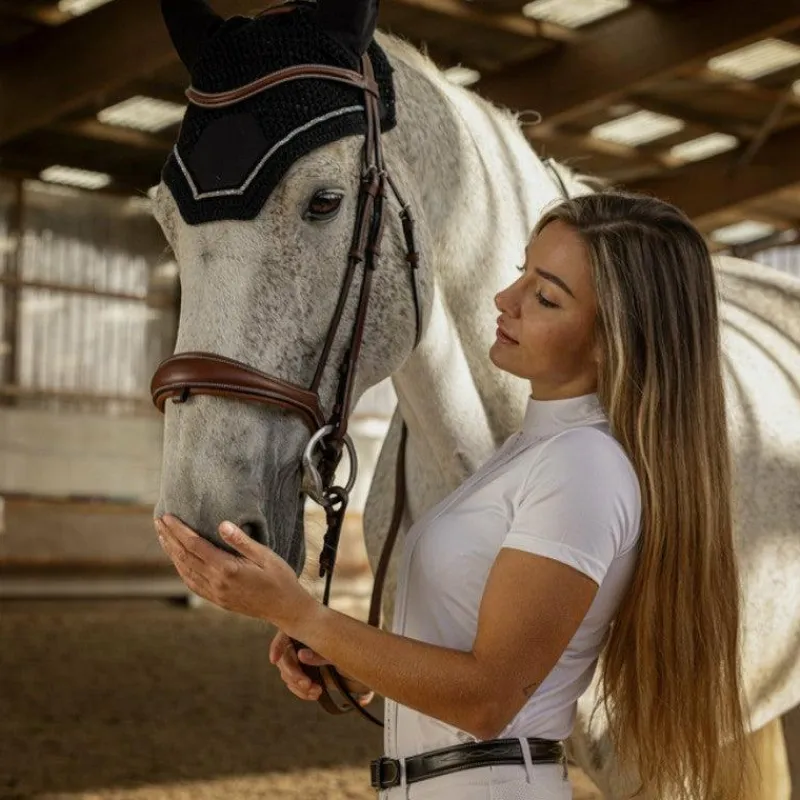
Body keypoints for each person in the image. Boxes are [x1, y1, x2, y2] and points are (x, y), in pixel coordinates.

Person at [157, 191, 751, 799]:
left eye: (544, 297)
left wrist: (300, 612)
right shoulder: (532, 455)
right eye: (523, 272)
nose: (506, 300)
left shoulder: (583, 466)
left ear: (611, 340)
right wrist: (346, 651)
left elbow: (489, 697)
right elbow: (465, 655)